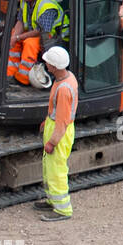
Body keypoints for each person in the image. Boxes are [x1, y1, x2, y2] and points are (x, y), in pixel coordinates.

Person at [35, 46, 78, 222]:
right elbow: (57, 113)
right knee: (49, 168)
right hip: (54, 126)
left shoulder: (64, 88)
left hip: (59, 132)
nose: (46, 64)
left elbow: (62, 121)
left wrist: (52, 141)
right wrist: (47, 121)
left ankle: (62, 210)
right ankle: (52, 199)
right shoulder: (65, 79)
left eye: (48, 63)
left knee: (57, 171)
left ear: (54, 66)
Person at [7, 0, 68, 85]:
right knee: (10, 35)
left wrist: (18, 37)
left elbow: (40, 31)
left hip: (54, 38)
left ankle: (22, 79)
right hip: (36, 33)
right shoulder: (25, 0)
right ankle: (10, 74)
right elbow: (20, 21)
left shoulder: (47, 6)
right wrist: (14, 37)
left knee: (30, 43)